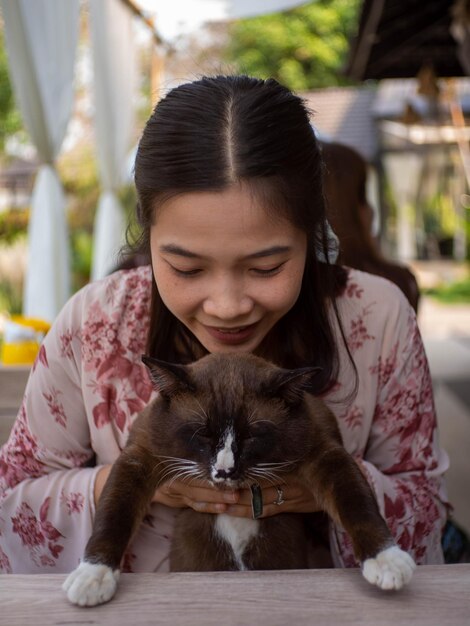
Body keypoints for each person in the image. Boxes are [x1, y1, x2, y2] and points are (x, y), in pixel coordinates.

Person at [0, 75, 449, 574]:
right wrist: (132, 480)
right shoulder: (95, 321)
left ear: (312, 233)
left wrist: (321, 482)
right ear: (147, 237)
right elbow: (11, 502)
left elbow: (427, 508)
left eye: (266, 267)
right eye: (187, 268)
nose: (227, 305)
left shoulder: (378, 316)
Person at [321, 141, 421, 312]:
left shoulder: (302, 290)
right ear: (356, 209)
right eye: (365, 197)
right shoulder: (397, 284)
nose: (372, 211)